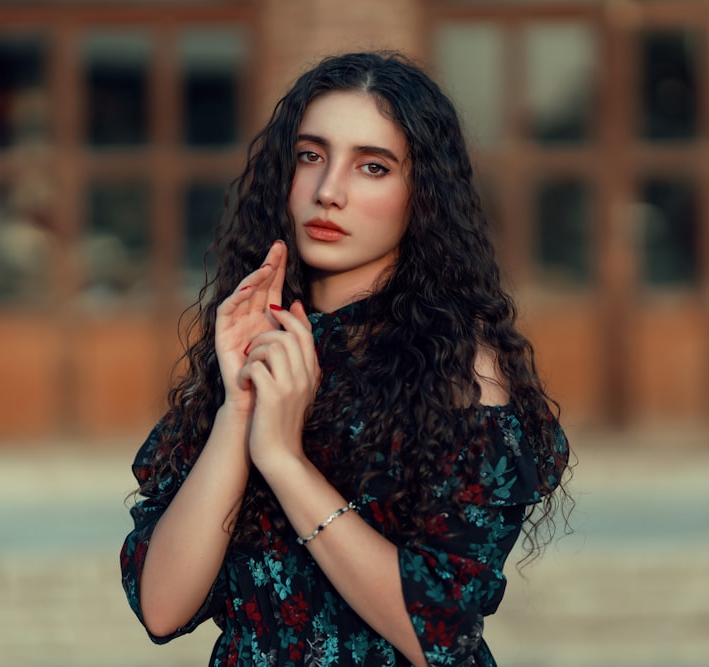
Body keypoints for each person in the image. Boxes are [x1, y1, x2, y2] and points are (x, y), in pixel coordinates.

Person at [120, 50, 571, 667]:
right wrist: (240, 408)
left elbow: (434, 633)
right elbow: (163, 609)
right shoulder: (260, 349)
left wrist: (282, 458)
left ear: (423, 196)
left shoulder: (463, 374)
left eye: (372, 167)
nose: (328, 192)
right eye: (311, 157)